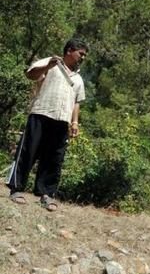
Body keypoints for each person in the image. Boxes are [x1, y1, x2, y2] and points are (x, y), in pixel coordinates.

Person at [6, 39, 89, 211]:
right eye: (81, 53)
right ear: (69, 51)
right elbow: (30, 75)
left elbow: (77, 102)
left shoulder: (78, 78)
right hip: (41, 113)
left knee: (54, 158)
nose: (83, 57)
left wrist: (75, 122)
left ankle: (46, 194)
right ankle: (16, 189)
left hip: (62, 120)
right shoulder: (50, 62)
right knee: (28, 151)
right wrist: (48, 66)